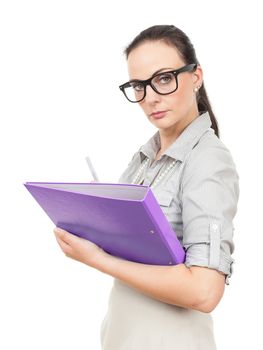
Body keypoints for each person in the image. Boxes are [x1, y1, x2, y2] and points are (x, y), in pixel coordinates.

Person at [54, 25, 239, 349]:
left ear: (196, 76)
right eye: (139, 85)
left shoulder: (208, 161)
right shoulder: (145, 157)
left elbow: (205, 291)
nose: (150, 97)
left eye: (164, 78)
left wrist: (96, 258)